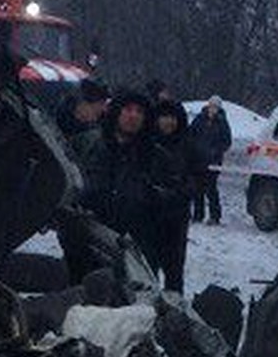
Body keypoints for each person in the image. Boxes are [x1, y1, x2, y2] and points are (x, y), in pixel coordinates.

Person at [78, 90, 160, 268]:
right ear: (117, 112)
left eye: (139, 112)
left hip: (137, 246)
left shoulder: (154, 156)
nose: (133, 116)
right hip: (93, 239)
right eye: (128, 110)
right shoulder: (95, 146)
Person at [150, 99, 195, 293]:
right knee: (147, 271)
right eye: (164, 117)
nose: (169, 122)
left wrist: (180, 192)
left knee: (174, 274)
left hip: (176, 219)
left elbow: (196, 180)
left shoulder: (186, 145)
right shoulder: (146, 144)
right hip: (148, 217)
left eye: (173, 118)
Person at [188, 96, 232, 223]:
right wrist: (192, 149)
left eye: (216, 107)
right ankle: (198, 215)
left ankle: (215, 216)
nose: (213, 109)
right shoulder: (199, 119)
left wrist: (216, 151)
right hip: (197, 160)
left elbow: (227, 141)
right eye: (211, 106)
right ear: (208, 106)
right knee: (197, 189)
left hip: (214, 162)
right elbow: (191, 134)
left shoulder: (222, 122)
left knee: (211, 189)